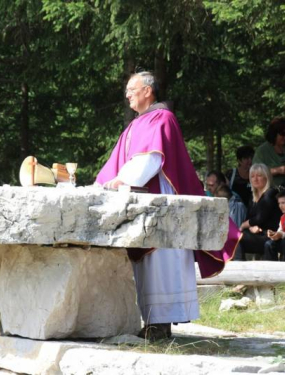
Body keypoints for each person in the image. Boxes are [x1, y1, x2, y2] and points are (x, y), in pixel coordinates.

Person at [95, 71, 240, 341]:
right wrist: (105, 182)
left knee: (161, 262)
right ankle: (150, 320)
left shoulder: (161, 118)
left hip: (162, 207)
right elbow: (118, 163)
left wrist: (120, 181)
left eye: (131, 89)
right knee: (146, 264)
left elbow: (149, 160)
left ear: (148, 91)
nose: (127, 94)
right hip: (142, 202)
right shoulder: (136, 123)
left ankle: (160, 324)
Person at [234, 164, 282, 260]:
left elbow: (260, 218)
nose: (255, 179)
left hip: (270, 235)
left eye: (259, 176)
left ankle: (238, 266)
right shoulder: (253, 196)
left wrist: (244, 225)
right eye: (252, 176)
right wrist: (251, 226)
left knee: (237, 237)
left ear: (266, 177)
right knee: (234, 237)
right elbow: (249, 218)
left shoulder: (271, 193)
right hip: (257, 234)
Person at [253, 117, 285, 190]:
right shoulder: (262, 151)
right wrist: (277, 170)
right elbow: (255, 172)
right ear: (274, 133)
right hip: (269, 192)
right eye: (283, 134)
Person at [264, 190, 285, 261]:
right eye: (279, 203)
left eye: (283, 203)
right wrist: (274, 234)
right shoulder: (283, 217)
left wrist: (281, 234)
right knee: (268, 244)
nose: (280, 206)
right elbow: (280, 230)